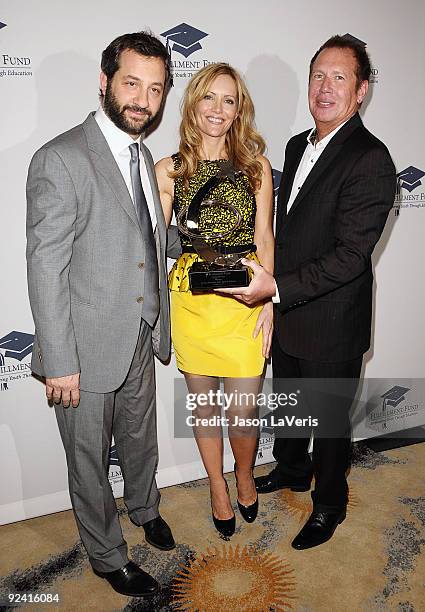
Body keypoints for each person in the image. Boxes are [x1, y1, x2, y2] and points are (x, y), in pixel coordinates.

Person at [218, 36, 396, 549]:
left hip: (332, 319)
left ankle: (330, 504)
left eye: (339, 78)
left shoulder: (371, 158)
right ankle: (293, 469)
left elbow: (350, 255)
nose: (325, 87)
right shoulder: (297, 145)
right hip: (289, 308)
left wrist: (277, 288)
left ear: (360, 91)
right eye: (319, 75)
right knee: (292, 403)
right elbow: (287, 230)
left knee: (331, 420)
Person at [26, 31, 175, 598]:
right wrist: (59, 361)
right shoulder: (61, 158)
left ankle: (144, 507)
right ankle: (107, 554)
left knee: (141, 437)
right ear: (105, 80)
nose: (142, 99)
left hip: (140, 330)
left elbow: (141, 241)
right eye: (132, 83)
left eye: (155, 88)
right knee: (88, 458)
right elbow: (45, 268)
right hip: (81, 347)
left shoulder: (142, 157)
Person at [155, 63, 274, 537]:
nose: (217, 110)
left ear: (238, 108)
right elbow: (153, 241)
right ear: (192, 103)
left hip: (245, 298)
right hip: (192, 300)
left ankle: (244, 475)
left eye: (228, 100)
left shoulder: (255, 165)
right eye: (209, 98)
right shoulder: (170, 168)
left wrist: (269, 302)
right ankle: (216, 486)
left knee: (243, 408)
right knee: (204, 407)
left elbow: (264, 238)